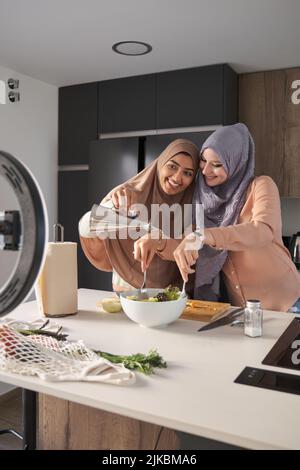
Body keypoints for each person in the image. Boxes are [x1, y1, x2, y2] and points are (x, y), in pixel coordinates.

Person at [173, 123, 300, 312]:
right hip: (245, 308)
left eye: (217, 165)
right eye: (203, 160)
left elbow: (262, 230)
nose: (206, 171)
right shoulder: (202, 197)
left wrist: (204, 235)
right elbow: (159, 179)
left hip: (288, 300)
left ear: (237, 162)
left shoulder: (261, 185)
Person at [79, 139, 199, 292]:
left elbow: (188, 249)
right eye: (172, 166)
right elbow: (87, 227)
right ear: (160, 164)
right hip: (126, 287)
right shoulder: (127, 193)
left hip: (171, 294)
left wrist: (158, 239)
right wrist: (111, 208)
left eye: (187, 173)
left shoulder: (194, 205)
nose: (177, 177)